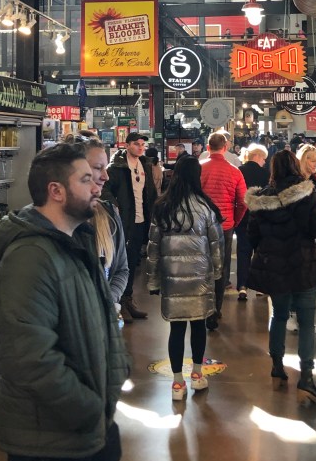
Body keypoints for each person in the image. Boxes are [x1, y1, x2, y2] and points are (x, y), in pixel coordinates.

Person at [0, 143, 131, 461]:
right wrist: (88, 408)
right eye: (86, 178)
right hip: (49, 437)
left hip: (92, 427)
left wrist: (112, 384)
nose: (98, 183)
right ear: (56, 191)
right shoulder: (30, 256)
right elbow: (29, 355)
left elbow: (103, 321)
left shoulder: (75, 244)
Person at [245, 150, 316, 406]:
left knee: (278, 316)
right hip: (304, 264)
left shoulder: (261, 199)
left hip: (275, 267)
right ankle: (306, 378)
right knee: (306, 322)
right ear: (295, 167)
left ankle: (277, 366)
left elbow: (252, 237)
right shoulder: (307, 194)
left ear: (273, 170)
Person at [146, 154, 224, 401]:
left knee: (176, 329)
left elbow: (153, 248)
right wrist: (218, 272)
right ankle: (198, 376)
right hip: (200, 278)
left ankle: (177, 384)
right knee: (198, 326)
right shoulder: (206, 208)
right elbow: (216, 245)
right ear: (196, 177)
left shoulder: (162, 207)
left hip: (172, 279)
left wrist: (152, 280)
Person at [106, 132, 157, 322]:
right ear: (127, 145)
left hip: (141, 220)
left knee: (133, 261)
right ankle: (117, 303)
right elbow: (105, 188)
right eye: (136, 144)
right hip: (124, 221)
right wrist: (115, 205)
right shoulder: (117, 167)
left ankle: (127, 299)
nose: (140, 147)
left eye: (143, 144)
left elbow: (149, 192)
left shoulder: (145, 165)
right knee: (120, 263)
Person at [199, 132, 248, 330]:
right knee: (221, 267)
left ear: (208, 147)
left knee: (202, 266)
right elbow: (243, 201)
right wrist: (235, 219)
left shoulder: (199, 169)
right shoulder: (235, 171)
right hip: (225, 226)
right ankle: (216, 310)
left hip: (201, 225)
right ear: (225, 148)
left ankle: (201, 307)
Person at [236, 143, 269, 301]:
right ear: (257, 156)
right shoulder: (266, 174)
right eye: (264, 158)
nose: (264, 162)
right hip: (261, 217)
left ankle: (242, 286)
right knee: (260, 251)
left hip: (243, 217)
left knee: (243, 251)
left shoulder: (239, 171)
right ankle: (259, 287)